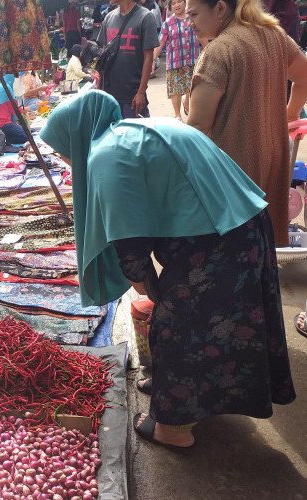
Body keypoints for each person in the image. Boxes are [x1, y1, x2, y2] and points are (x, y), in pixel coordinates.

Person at [40, 90, 295, 449]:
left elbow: (129, 245)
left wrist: (147, 285)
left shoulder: (105, 154)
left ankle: (174, 429)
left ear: (76, 134)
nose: (63, 157)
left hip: (218, 240)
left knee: (182, 326)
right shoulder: (131, 131)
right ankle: (188, 393)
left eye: (59, 147)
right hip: (241, 221)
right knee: (212, 324)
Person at [186, 0, 307, 247]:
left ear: (220, 8)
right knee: (263, 255)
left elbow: (195, 132)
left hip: (233, 183)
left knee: (234, 263)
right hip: (271, 169)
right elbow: (304, 77)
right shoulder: (275, 35)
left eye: (194, 15)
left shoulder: (219, 51)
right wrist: (290, 115)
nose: (190, 24)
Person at [96, 0, 159, 118]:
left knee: (136, 134)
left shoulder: (145, 17)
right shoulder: (108, 18)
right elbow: (105, 57)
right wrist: (99, 88)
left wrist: (141, 92)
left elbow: (148, 57)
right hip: (109, 95)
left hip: (133, 96)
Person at [153, 0, 200, 120]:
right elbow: (160, 42)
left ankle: (187, 101)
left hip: (193, 60)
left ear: (185, 3)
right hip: (175, 62)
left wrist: (210, 50)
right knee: (175, 90)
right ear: (170, 7)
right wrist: (153, 60)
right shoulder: (168, 23)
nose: (177, 5)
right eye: (173, 3)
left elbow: (203, 36)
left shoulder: (193, 19)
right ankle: (177, 115)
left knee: (193, 86)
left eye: (179, 2)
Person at [0, 74, 28, 145]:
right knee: (27, 136)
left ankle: (2, 137)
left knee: (19, 130)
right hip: (2, 123)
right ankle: (4, 140)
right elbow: (13, 108)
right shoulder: (6, 88)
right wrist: (22, 110)